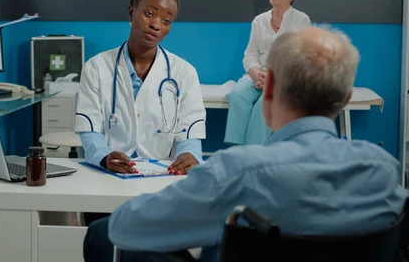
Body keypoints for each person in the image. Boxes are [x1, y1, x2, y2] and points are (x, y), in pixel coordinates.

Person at [83, 26, 408, 262]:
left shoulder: (238, 171)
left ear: (268, 92)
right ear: (346, 100)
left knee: (103, 232)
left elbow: (125, 227)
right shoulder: (383, 170)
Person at [74, 0, 206, 225]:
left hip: (161, 185)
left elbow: (189, 135)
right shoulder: (97, 67)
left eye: (166, 20)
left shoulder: (184, 73)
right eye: (149, 13)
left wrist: (190, 156)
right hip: (106, 180)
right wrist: (104, 156)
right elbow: (89, 131)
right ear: (131, 11)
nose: (156, 24)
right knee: (103, 238)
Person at [224, 0, 311, 145]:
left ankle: (253, 155)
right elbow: (250, 55)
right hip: (258, 75)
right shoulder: (260, 20)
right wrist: (256, 73)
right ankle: (235, 150)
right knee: (237, 95)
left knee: (264, 104)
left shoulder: (301, 20)